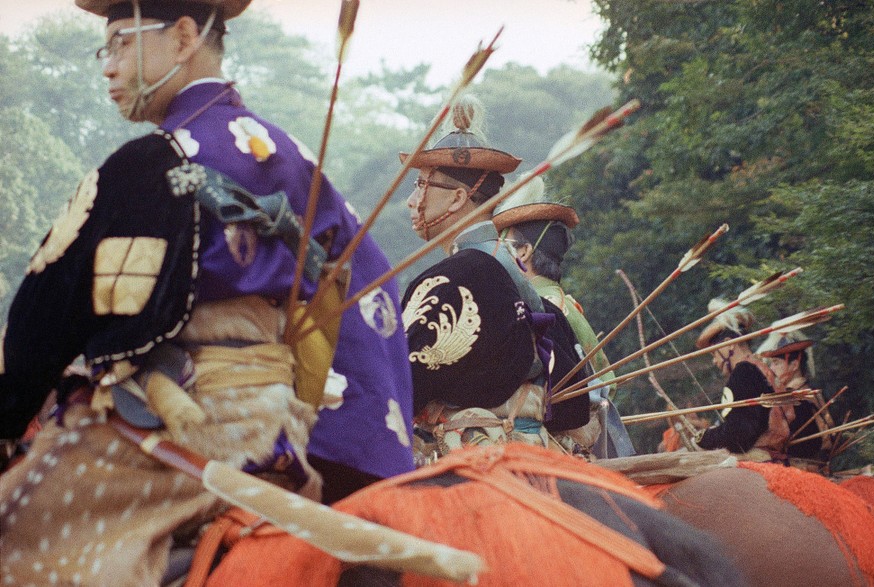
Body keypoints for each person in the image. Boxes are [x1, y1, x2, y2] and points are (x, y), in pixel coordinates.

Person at [0, 0, 413, 582]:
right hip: (284, 438)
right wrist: (354, 453)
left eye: (121, 42)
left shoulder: (148, 164)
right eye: (104, 49)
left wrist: (10, 410)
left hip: (183, 436)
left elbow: (40, 325)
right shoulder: (294, 158)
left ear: (184, 36)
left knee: (17, 527)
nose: (108, 66)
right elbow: (370, 300)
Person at [399, 95, 590, 460]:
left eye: (422, 185)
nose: (412, 200)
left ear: (458, 198)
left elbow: (399, 389)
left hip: (470, 463)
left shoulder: (452, 280)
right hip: (537, 454)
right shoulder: (514, 275)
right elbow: (574, 407)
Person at [492, 176, 635, 458]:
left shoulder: (540, 307)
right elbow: (608, 381)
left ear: (524, 251)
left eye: (502, 246)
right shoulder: (562, 302)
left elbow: (598, 389)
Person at [694, 300, 805, 460]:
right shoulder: (761, 368)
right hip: (772, 456)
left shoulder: (743, 372)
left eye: (714, 352)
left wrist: (705, 437)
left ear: (728, 344)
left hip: (758, 458)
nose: (714, 361)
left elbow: (739, 434)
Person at [757, 332, 829, 460]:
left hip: (804, 464)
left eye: (776, 363)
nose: (771, 369)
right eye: (771, 363)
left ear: (794, 365)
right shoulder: (806, 392)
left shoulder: (797, 399)